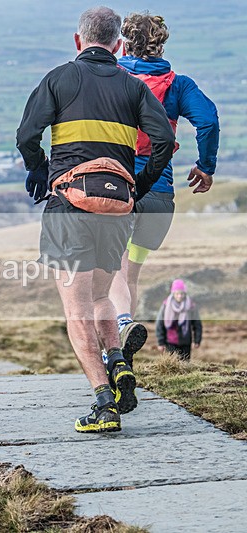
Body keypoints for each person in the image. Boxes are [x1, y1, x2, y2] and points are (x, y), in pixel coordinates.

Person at [16, 6, 175, 432]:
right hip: (118, 210)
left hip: (70, 207)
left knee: (77, 309)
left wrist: (38, 167)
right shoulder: (133, 86)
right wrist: (139, 186)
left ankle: (104, 403)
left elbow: (26, 135)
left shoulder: (59, 78)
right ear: (118, 45)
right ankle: (118, 361)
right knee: (104, 297)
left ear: (78, 40)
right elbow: (165, 140)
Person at [108, 12, 219, 367]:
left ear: (124, 43)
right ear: (162, 44)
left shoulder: (111, 77)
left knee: (113, 270)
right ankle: (122, 345)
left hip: (119, 187)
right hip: (159, 193)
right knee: (131, 273)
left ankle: (120, 332)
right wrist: (206, 166)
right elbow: (209, 120)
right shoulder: (179, 85)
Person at [156, 279, 202, 361]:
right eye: (177, 293)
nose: (179, 296)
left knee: (185, 367)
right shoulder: (166, 305)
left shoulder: (191, 306)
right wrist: (161, 342)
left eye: (182, 293)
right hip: (170, 342)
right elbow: (160, 324)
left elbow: (197, 324)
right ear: (173, 293)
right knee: (171, 367)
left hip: (185, 343)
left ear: (185, 293)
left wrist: (197, 340)